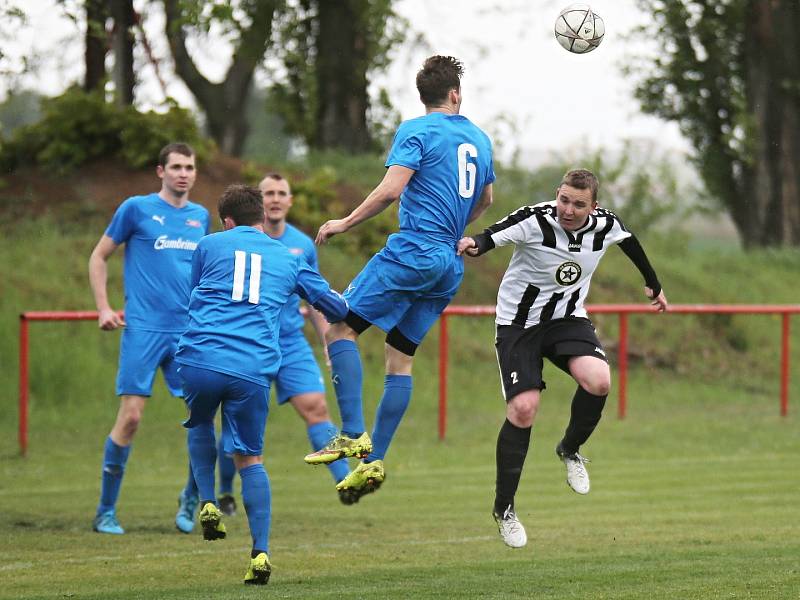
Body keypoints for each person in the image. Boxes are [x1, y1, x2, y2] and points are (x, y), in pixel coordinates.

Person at [307, 55, 495, 500]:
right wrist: (453, 231)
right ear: (456, 95)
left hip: (414, 250)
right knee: (400, 355)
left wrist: (344, 222)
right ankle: (372, 465)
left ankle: (353, 434)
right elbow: (485, 199)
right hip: (450, 263)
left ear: (424, 97)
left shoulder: (417, 130)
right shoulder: (480, 139)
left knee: (338, 329)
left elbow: (392, 189)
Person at [456, 168, 668, 548]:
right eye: (564, 199)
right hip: (518, 326)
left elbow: (629, 240)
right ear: (558, 194)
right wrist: (472, 243)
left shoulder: (605, 226)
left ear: (594, 206)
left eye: (578, 204)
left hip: (566, 319)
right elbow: (490, 236)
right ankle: (504, 508)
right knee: (523, 409)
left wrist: (653, 283)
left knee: (600, 380)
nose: (568, 210)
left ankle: (570, 450)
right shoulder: (534, 219)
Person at [175, 184, 348, 585]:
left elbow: (194, 294)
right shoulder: (289, 256)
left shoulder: (208, 245)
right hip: (252, 367)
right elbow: (334, 307)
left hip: (201, 356)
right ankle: (260, 553)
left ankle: (206, 502)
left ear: (227, 221)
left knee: (200, 424)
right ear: (261, 218)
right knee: (250, 459)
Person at [88, 142, 210, 535]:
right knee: (132, 417)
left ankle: (191, 497)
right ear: (160, 171)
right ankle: (106, 511)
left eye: (189, 167)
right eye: (175, 166)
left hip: (188, 334)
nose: (183, 173)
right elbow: (98, 257)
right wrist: (104, 308)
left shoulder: (200, 217)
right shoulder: (136, 209)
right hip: (143, 329)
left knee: (202, 421)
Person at [213, 173, 353, 511]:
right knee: (236, 421)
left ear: (290, 201)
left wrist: (328, 342)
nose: (275, 199)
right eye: (268, 193)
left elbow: (314, 298)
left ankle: (347, 482)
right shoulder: (230, 242)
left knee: (317, 407)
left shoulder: (302, 245)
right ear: (258, 205)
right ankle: (225, 491)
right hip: (247, 342)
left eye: (281, 193)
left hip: (289, 342)